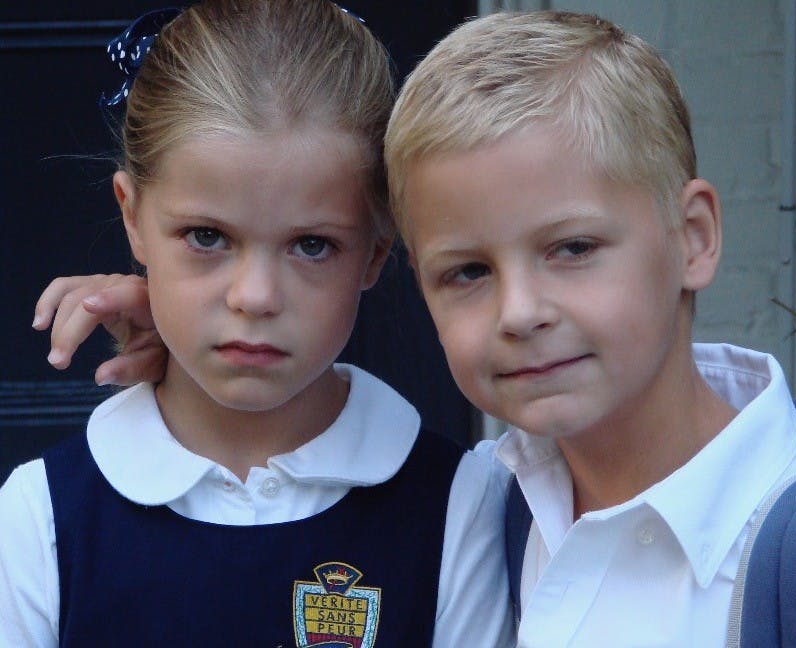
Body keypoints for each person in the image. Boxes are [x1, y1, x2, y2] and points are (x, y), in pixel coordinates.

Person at [27, 8, 796, 647]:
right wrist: (183, 328)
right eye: (468, 272)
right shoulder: (517, 503)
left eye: (573, 248)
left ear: (695, 236)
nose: (520, 312)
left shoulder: (475, 503)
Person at [0, 2, 514, 646]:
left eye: (312, 245)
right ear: (132, 217)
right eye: (206, 236)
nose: (256, 296)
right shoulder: (42, 516)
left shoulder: (462, 504)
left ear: (378, 249)